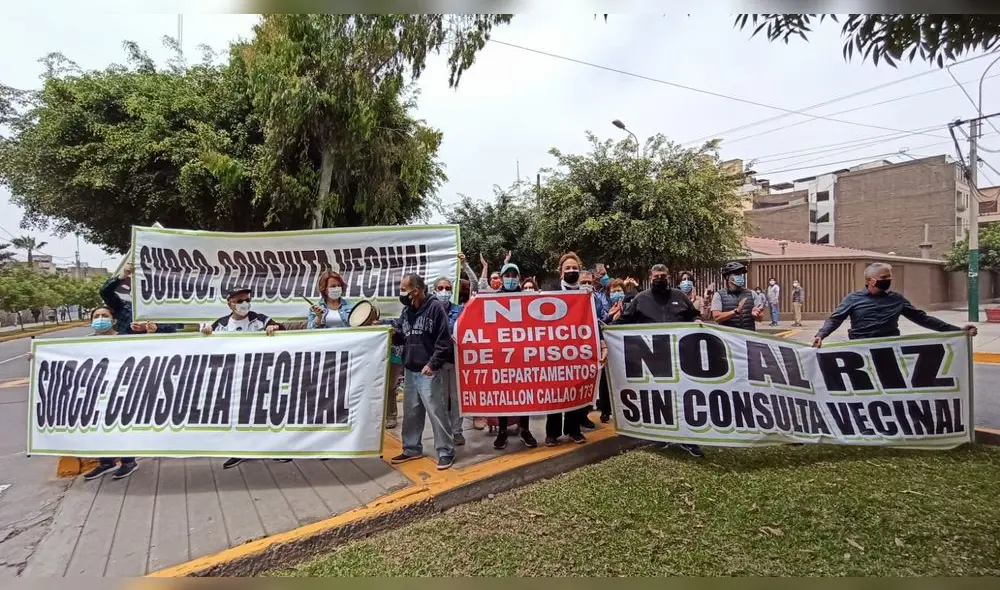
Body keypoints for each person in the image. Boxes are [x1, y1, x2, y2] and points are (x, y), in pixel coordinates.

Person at [614, 264, 704, 457]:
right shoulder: (640, 299)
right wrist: (607, 329)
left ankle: (689, 439)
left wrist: (697, 321)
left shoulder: (680, 297)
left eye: (663, 276)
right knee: (659, 399)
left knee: (684, 398)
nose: (660, 278)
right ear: (650, 277)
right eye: (656, 276)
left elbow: (694, 316)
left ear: (669, 276)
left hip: (681, 359)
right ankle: (662, 435)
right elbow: (623, 322)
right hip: (654, 361)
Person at [201, 287, 285, 469]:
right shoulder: (221, 324)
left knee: (266, 412)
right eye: (239, 301)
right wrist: (206, 333)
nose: (244, 304)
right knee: (237, 415)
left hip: (261, 376)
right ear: (229, 304)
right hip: (234, 378)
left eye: (247, 300)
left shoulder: (260, 319)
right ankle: (240, 450)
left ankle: (276, 449)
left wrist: (275, 328)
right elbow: (207, 344)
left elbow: (282, 330)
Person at [812, 262, 978, 347]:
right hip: (860, 350)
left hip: (890, 350)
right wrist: (821, 335)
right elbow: (835, 319)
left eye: (889, 277)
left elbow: (923, 319)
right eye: (884, 278)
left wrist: (958, 331)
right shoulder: (853, 299)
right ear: (870, 280)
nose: (888, 281)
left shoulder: (897, 299)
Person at [389, 274, 457, 470]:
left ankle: (446, 451)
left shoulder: (435, 308)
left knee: (436, 411)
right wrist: (394, 335)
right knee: (411, 412)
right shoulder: (407, 310)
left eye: (404, 290)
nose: (402, 294)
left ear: (416, 291)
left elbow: (443, 342)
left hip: (428, 370)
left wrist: (432, 364)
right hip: (411, 369)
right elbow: (403, 336)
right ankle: (411, 448)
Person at [79, 307, 140, 481]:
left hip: (120, 391)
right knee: (97, 427)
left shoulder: (124, 340)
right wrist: (37, 356)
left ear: (113, 320)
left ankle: (128, 462)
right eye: (96, 316)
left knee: (120, 426)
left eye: (104, 316)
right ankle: (106, 463)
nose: (100, 319)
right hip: (95, 392)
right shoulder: (82, 343)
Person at [491, 263, 539, 450]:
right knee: (504, 395)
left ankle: (525, 430)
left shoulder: (527, 299)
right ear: (502, 278)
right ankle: (502, 431)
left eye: (513, 275)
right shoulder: (490, 300)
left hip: (523, 355)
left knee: (524, 394)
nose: (510, 278)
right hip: (502, 355)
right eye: (507, 275)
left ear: (518, 278)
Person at [543, 252, 589, 445]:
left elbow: (592, 323)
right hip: (554, 351)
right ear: (561, 273)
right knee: (555, 392)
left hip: (576, 352)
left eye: (574, 268)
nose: (571, 271)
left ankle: (573, 429)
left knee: (575, 391)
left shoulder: (586, 294)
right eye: (567, 268)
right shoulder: (550, 291)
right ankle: (552, 433)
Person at [100, 262, 180, 336]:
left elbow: (172, 327)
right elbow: (105, 292)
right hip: (126, 347)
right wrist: (122, 276)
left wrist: (151, 327)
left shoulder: (162, 307)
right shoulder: (122, 306)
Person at [433, 276, 467, 446]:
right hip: (437, 362)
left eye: (447, 288)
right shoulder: (429, 310)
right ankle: (444, 432)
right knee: (441, 399)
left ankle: (457, 431)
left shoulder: (460, 310)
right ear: (434, 290)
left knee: (456, 398)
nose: (444, 292)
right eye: (440, 288)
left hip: (456, 361)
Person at [711, 261, 763, 331]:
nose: (739, 276)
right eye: (736, 274)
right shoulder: (719, 295)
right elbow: (716, 317)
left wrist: (756, 315)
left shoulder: (752, 293)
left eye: (740, 274)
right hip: (729, 338)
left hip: (748, 336)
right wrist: (735, 312)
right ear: (727, 277)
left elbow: (760, 318)